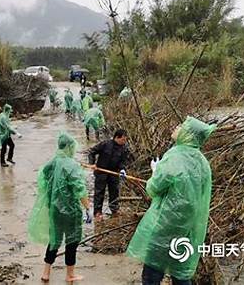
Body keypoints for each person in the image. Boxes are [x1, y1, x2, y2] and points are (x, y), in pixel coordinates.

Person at [126, 117, 216, 285]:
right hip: (189, 228)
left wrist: (155, 171)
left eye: (182, 126)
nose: (177, 127)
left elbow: (153, 188)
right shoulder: (203, 162)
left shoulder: (174, 156)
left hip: (166, 224)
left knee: (152, 273)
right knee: (180, 274)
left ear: (188, 134)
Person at [28, 132, 91, 282]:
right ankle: (70, 275)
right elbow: (79, 188)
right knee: (72, 241)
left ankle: (46, 272)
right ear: (69, 147)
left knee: (54, 240)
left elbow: (44, 173)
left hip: (55, 209)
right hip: (71, 210)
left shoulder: (54, 162)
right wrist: (88, 208)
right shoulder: (72, 165)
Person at [88, 129, 131, 220]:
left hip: (114, 172)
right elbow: (92, 152)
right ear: (116, 137)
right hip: (101, 171)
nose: (124, 142)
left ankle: (114, 209)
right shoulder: (105, 144)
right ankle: (98, 212)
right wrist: (92, 163)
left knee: (114, 191)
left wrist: (122, 169)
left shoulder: (124, 149)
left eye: (125, 140)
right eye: (123, 139)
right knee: (99, 192)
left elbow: (123, 161)